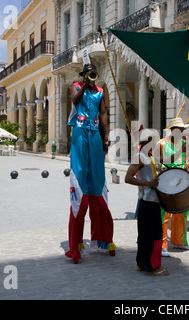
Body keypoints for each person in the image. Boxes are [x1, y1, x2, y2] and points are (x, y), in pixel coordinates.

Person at [65, 64, 116, 264]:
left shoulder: (100, 91)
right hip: (79, 133)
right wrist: (84, 87)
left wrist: (107, 134)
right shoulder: (76, 86)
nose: (91, 78)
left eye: (92, 75)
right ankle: (75, 244)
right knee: (80, 179)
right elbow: (75, 101)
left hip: (94, 134)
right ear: (84, 75)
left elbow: (103, 113)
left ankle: (104, 239)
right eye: (88, 74)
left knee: (97, 180)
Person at [125, 128, 169, 276]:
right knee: (154, 235)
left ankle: (142, 263)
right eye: (154, 140)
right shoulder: (140, 157)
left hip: (150, 201)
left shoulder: (147, 156)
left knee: (144, 235)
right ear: (148, 141)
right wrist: (148, 183)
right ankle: (152, 267)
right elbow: (128, 178)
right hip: (148, 202)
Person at [158, 117, 189, 257]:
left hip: (181, 181)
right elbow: (157, 162)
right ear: (172, 130)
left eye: (182, 130)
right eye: (179, 130)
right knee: (164, 215)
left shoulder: (183, 144)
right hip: (166, 181)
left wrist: (186, 165)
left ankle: (179, 241)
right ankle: (162, 244)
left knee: (182, 212)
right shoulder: (161, 144)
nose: (181, 132)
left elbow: (184, 160)